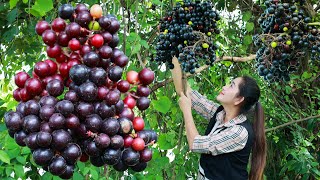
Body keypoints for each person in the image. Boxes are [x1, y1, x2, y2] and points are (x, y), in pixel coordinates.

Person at [170, 57, 266, 180]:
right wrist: (173, 55)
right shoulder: (220, 113)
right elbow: (184, 91)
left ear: (239, 99)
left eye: (231, 86)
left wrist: (186, 110)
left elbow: (195, 144)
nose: (225, 87)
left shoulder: (239, 132)